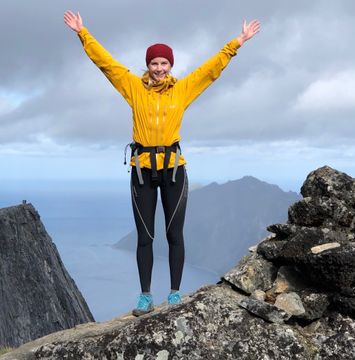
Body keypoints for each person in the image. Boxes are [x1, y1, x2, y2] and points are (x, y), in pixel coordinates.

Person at [63, 10, 260, 316]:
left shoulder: (182, 90)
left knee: (174, 235)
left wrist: (237, 42)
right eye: (154, 63)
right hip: (142, 171)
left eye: (164, 63)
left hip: (173, 170)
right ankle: (145, 296)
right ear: (148, 65)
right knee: (145, 236)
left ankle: (175, 294)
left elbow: (210, 70)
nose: (158, 68)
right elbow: (107, 64)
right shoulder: (133, 87)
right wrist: (82, 33)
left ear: (170, 66)